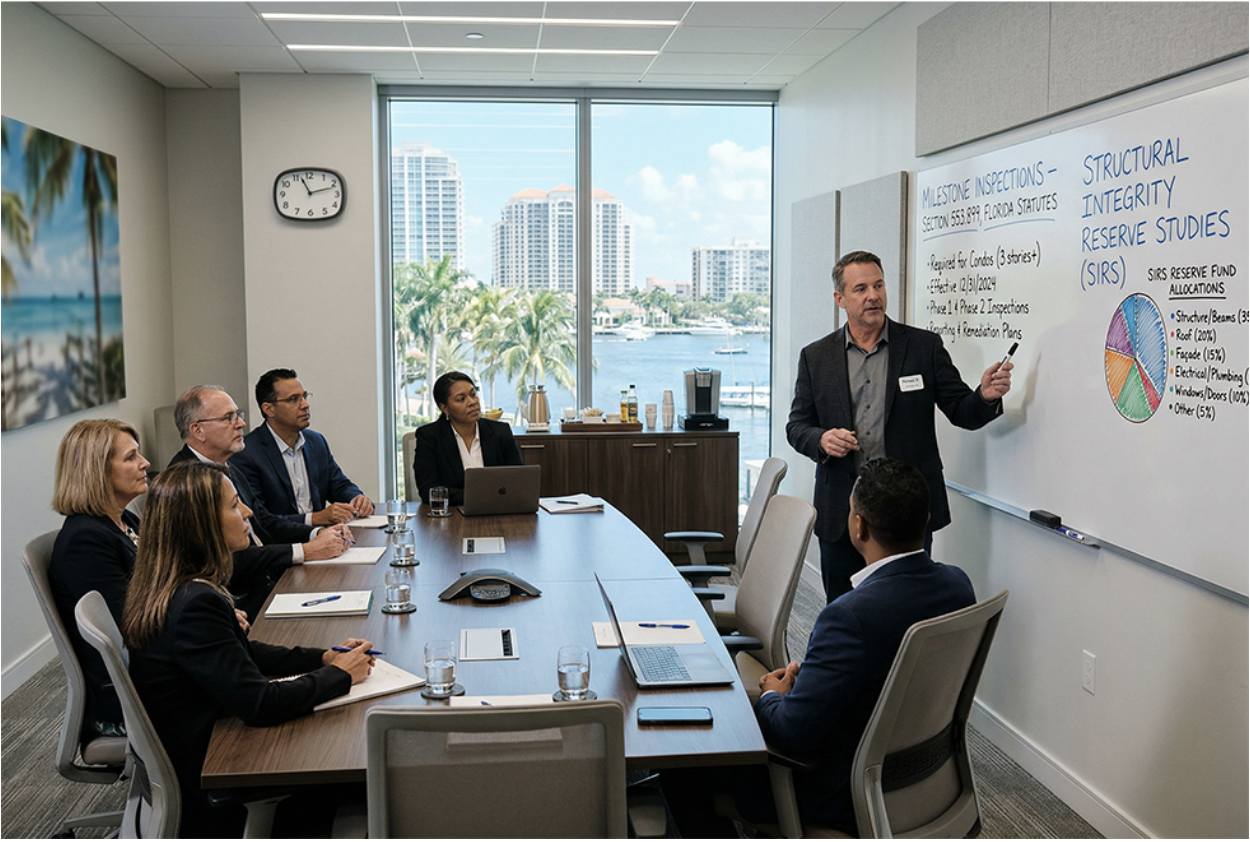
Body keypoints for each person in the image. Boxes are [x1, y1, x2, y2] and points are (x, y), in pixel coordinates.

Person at [662, 458, 977, 836]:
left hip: (840, 792)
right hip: (924, 782)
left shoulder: (849, 616)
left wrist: (772, 696)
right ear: (925, 518)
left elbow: (793, 734)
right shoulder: (959, 587)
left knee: (682, 762)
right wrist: (813, 681)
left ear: (858, 525)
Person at [123, 461, 375, 838]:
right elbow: (260, 704)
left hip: (205, 738)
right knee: (366, 765)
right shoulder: (194, 603)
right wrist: (340, 675)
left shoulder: (174, 586)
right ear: (201, 523)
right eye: (234, 505)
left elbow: (240, 652)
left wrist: (324, 656)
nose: (248, 513)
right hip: (219, 763)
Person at [787, 250, 1012, 602]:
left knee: (906, 610)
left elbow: (960, 410)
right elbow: (797, 425)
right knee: (842, 611)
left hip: (907, 513)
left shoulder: (923, 347)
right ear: (840, 299)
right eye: (860, 289)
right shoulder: (816, 357)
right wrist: (821, 439)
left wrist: (983, 396)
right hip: (842, 510)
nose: (873, 295)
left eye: (878, 285)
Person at [168, 385, 352, 619]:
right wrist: (304, 551)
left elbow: (264, 521)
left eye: (238, 415)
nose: (241, 424)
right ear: (198, 430)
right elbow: (225, 561)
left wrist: (316, 533)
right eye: (228, 418)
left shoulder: (226, 466)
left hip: (266, 584)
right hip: (239, 604)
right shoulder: (186, 483)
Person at [48, 419, 149, 737]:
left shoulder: (124, 519)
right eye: (131, 457)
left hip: (149, 669)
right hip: (127, 697)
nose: (144, 463)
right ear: (97, 471)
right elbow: (129, 628)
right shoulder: (85, 541)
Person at [231, 368, 374, 526]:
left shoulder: (316, 441)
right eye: (293, 399)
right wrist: (314, 519)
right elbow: (259, 519)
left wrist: (356, 498)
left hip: (325, 537)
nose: (305, 405)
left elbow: (339, 486)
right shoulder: (247, 453)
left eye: (304, 397)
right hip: (283, 546)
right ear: (269, 409)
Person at [413, 371, 523, 506]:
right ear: (444, 408)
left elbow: (518, 481)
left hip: (497, 513)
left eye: (473, 394)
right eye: (461, 399)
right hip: (451, 517)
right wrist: (482, 496)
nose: (472, 402)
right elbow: (428, 490)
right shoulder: (430, 436)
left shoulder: (500, 432)